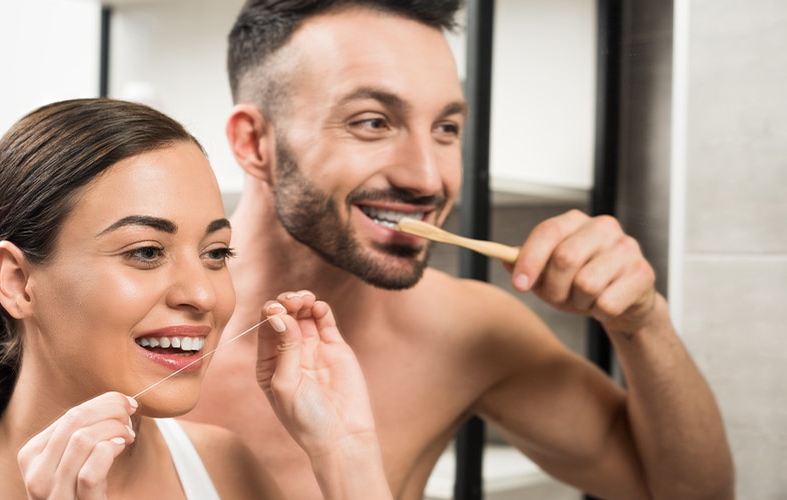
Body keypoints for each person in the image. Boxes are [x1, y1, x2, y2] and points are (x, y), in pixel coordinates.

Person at [184, 1, 735, 499]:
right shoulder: (123, 326)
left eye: (446, 128)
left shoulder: (465, 331)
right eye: (373, 122)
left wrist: (644, 321)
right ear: (254, 143)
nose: (429, 178)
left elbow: (688, 493)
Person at [0, 98, 391, 499]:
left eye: (216, 253)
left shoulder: (224, 467)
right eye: (146, 252)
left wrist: (347, 452)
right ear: (19, 281)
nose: (202, 294)